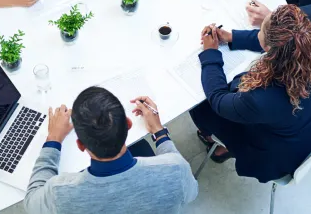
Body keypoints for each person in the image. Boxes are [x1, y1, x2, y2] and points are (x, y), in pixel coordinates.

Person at [189, 5, 311, 183]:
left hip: (276, 157)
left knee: (200, 106)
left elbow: (218, 99)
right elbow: (277, 42)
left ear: (270, 49)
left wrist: (210, 53)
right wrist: (232, 37)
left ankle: (210, 138)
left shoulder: (260, 98)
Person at [24, 87, 198, 213]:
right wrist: (159, 132)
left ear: (81, 145)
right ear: (128, 124)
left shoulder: (60, 193)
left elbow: (32, 201)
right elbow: (191, 192)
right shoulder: (176, 169)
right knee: (142, 147)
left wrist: (53, 139)